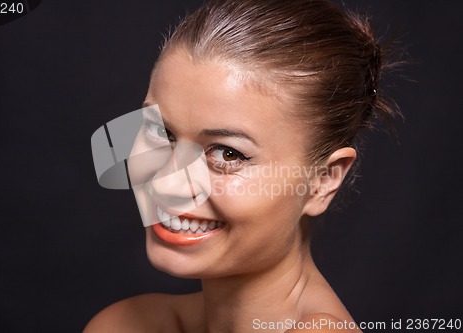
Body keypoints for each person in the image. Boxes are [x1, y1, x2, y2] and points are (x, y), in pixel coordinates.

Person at [85, 0, 400, 331]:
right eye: (160, 131)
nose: (167, 184)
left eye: (227, 154)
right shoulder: (123, 324)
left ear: (323, 179)